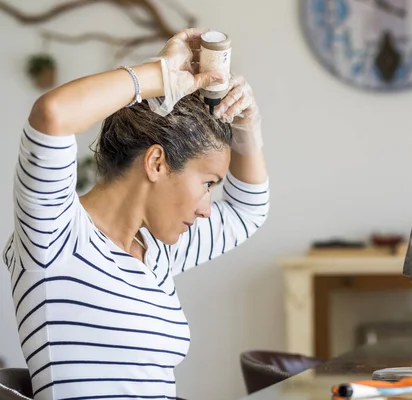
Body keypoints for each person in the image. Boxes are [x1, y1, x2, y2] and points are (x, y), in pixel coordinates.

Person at [2, 29, 269, 400]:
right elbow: (53, 114)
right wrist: (159, 74)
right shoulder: (56, 238)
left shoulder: (156, 250)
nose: (208, 207)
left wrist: (247, 126)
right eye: (208, 183)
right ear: (157, 162)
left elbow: (247, 212)